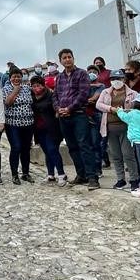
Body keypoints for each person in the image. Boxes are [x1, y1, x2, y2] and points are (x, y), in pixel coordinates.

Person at [54, 48, 98, 190]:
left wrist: (69, 108)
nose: (67, 60)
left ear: (73, 58)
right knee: (72, 147)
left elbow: (83, 94)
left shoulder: (82, 74)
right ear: (60, 61)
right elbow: (55, 96)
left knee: (84, 145)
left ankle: (92, 177)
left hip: (78, 114)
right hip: (63, 117)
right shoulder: (59, 77)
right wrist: (58, 108)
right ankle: (81, 175)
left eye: (69, 57)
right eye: (64, 58)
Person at [96, 69, 139, 191]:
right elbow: (98, 105)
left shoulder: (132, 93)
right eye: (114, 79)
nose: (116, 81)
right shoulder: (105, 92)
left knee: (128, 154)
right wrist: (111, 109)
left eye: (119, 79)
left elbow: (138, 107)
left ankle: (134, 179)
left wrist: (128, 111)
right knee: (116, 155)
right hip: (110, 128)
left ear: (124, 79)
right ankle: (121, 179)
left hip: (126, 128)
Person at [30, 76, 66, 186]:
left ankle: (61, 174)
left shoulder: (51, 95)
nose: (37, 88)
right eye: (34, 86)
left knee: (52, 150)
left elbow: (56, 107)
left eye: (39, 85)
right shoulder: (31, 97)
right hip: (39, 129)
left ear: (43, 85)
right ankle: (50, 174)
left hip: (52, 128)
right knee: (46, 151)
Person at [2, 67, 34, 185]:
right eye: (14, 76)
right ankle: (15, 174)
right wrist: (16, 90)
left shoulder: (27, 88)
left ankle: (26, 173)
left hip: (28, 124)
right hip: (13, 124)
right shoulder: (6, 89)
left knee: (26, 149)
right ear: (10, 77)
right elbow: (8, 102)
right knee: (16, 148)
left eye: (18, 76)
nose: (16, 78)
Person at [85, 64, 108, 169]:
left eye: (94, 72)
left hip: (96, 116)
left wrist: (85, 101)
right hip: (84, 116)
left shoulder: (102, 86)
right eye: (89, 72)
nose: (91, 74)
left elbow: (94, 98)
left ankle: (98, 168)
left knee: (96, 143)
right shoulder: (83, 85)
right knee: (86, 144)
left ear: (98, 74)